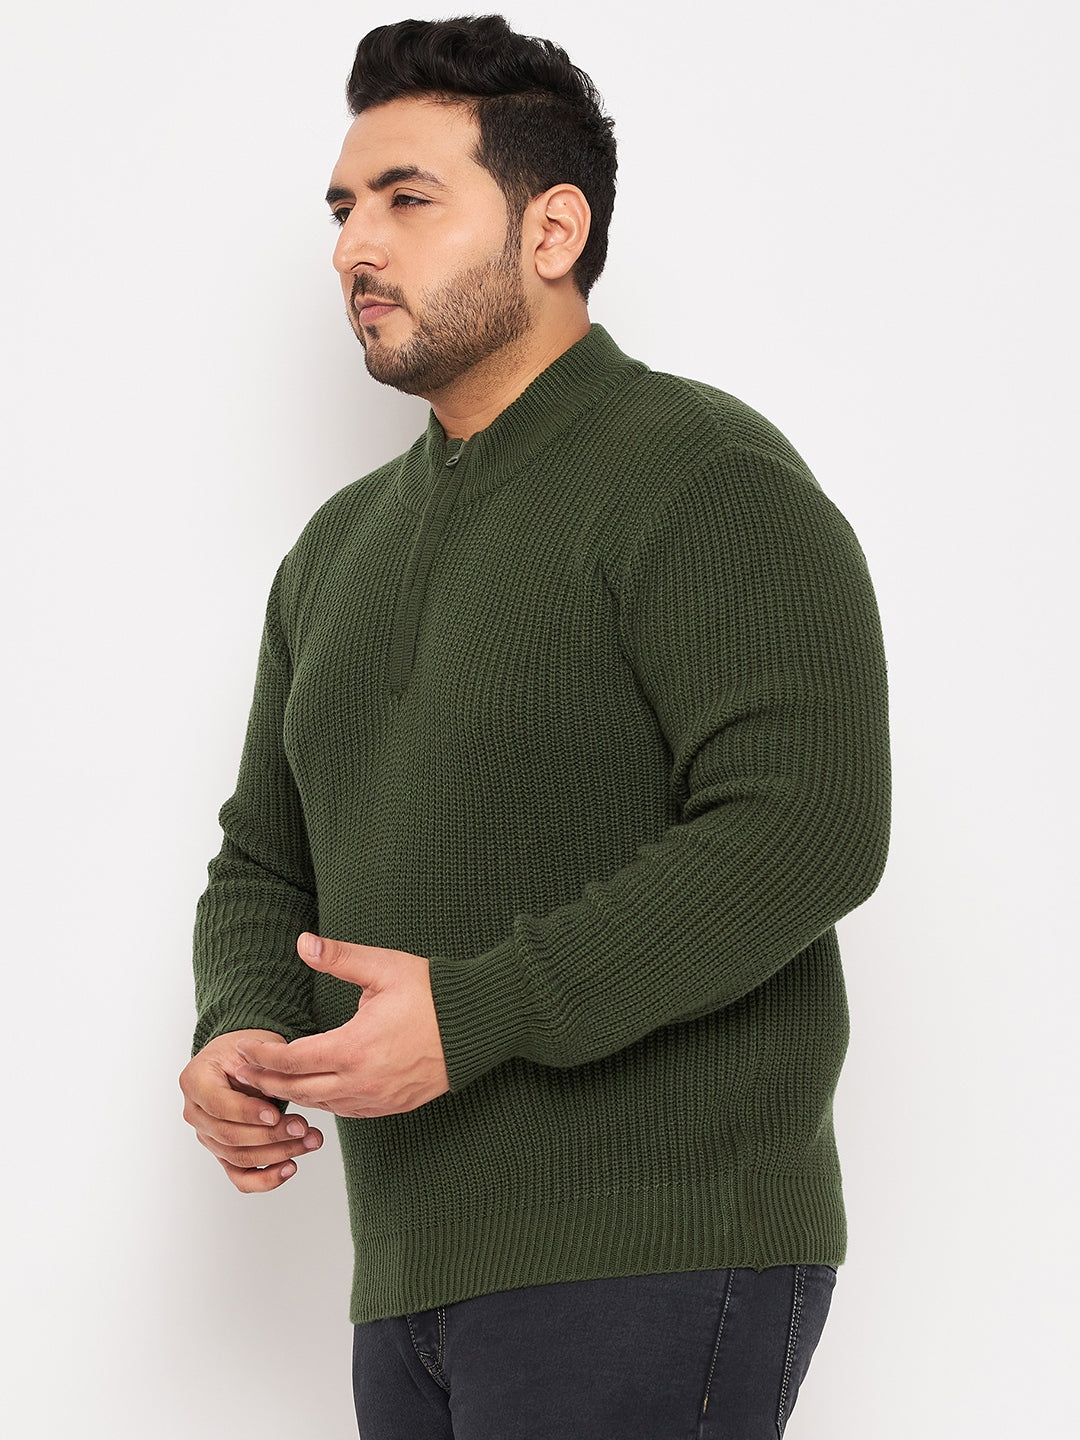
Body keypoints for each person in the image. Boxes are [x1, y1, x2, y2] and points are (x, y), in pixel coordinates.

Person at [179, 15, 890, 1438]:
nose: (354, 247)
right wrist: (240, 1030)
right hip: (411, 1273)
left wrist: (477, 1014)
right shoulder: (337, 552)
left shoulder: (699, 472)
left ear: (552, 229)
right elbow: (263, 860)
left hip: (655, 1246)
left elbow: (807, 825)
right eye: (342, 208)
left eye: (407, 199)